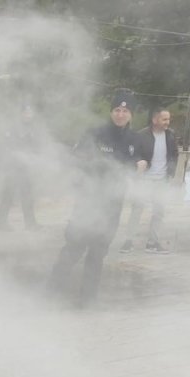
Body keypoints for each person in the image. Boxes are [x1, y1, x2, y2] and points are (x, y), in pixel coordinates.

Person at [50, 89, 146, 306]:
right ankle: (51, 292)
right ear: (111, 112)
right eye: (117, 110)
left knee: (98, 252)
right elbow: (79, 161)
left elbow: (136, 164)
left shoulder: (135, 140)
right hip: (89, 202)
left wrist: (141, 165)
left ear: (131, 115)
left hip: (113, 205)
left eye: (125, 111)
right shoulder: (95, 134)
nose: (120, 114)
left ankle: (88, 298)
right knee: (73, 248)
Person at [122, 107, 179, 254]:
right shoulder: (141, 135)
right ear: (154, 120)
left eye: (168, 119)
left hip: (162, 180)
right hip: (144, 179)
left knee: (159, 212)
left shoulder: (170, 135)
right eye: (164, 119)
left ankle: (152, 243)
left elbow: (174, 154)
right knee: (137, 209)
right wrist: (138, 166)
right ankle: (128, 241)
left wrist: (171, 173)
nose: (167, 122)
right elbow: (134, 154)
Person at [0, 103, 38, 232]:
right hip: (12, 167)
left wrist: (33, 158)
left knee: (28, 196)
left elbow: (34, 147)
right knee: (8, 196)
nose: (29, 115)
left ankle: (30, 224)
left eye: (30, 113)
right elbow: (8, 146)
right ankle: (1, 224)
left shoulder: (31, 128)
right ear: (21, 114)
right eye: (27, 113)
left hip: (25, 168)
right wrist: (18, 156)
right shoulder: (14, 127)